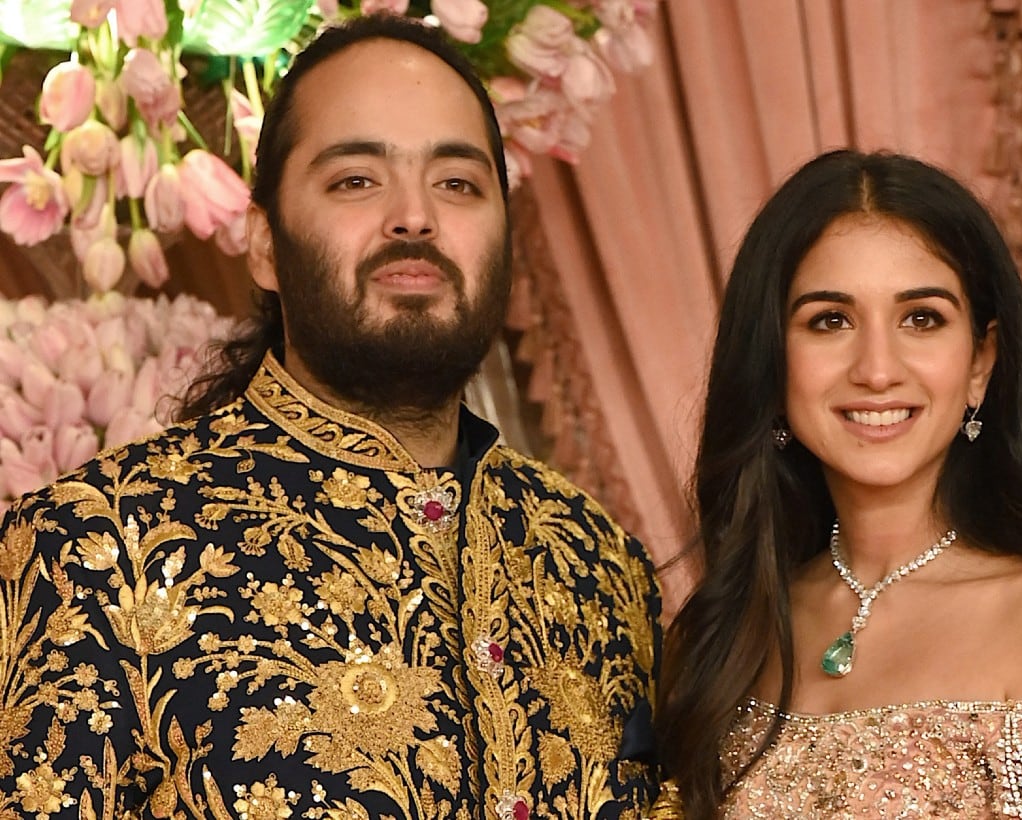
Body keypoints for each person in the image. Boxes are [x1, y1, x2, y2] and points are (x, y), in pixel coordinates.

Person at [0, 15, 662, 820]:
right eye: (356, 179)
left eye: (458, 183)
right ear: (266, 243)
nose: (414, 217)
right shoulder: (95, 547)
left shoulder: (595, 562)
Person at [652, 149, 1022, 818]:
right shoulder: (733, 628)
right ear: (770, 361)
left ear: (980, 363)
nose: (877, 369)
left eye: (921, 319)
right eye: (830, 320)